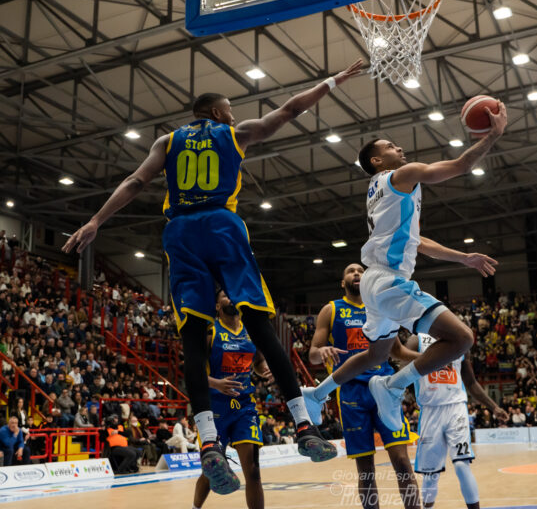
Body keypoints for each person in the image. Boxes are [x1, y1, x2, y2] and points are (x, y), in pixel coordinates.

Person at [61, 58, 363, 493]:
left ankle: (206, 442)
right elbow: (290, 110)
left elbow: (135, 181)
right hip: (222, 226)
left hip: (180, 233)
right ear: (219, 113)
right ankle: (303, 425)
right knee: (260, 324)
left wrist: (96, 220)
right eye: (232, 110)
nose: (235, 116)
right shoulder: (232, 134)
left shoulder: (166, 141)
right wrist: (332, 80)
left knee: (192, 335)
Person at [303, 103, 507, 431]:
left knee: (375, 356)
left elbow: (418, 241)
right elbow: (461, 165)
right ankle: (393, 386)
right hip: (388, 281)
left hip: (374, 280)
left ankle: (316, 393)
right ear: (376, 161)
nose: (399, 147)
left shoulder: (383, 190)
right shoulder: (402, 176)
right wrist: (493, 135)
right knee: (461, 339)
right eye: (389, 146)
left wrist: (464, 258)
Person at [307, 264, 419, 509]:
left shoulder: (379, 306)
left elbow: (398, 351)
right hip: (351, 392)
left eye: (360, 270)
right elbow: (313, 355)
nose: (356, 273)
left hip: (384, 389)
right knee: (365, 467)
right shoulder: (331, 310)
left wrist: (430, 359)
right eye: (350, 271)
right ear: (342, 281)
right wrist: (321, 351)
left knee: (401, 461)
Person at [399, 330, 509, 509]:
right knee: (430, 474)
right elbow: (402, 369)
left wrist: (494, 407)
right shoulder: (416, 339)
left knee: (461, 465)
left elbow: (471, 383)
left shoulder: (460, 339)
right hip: (430, 410)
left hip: (456, 407)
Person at [193, 289, 273, 508]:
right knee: (212, 470)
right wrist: (216, 383)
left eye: (233, 294)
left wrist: (264, 369)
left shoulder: (251, 332)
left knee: (254, 471)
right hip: (214, 407)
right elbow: (192, 370)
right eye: (225, 295)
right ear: (217, 306)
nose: (231, 297)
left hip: (245, 407)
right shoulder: (210, 331)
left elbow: (257, 362)